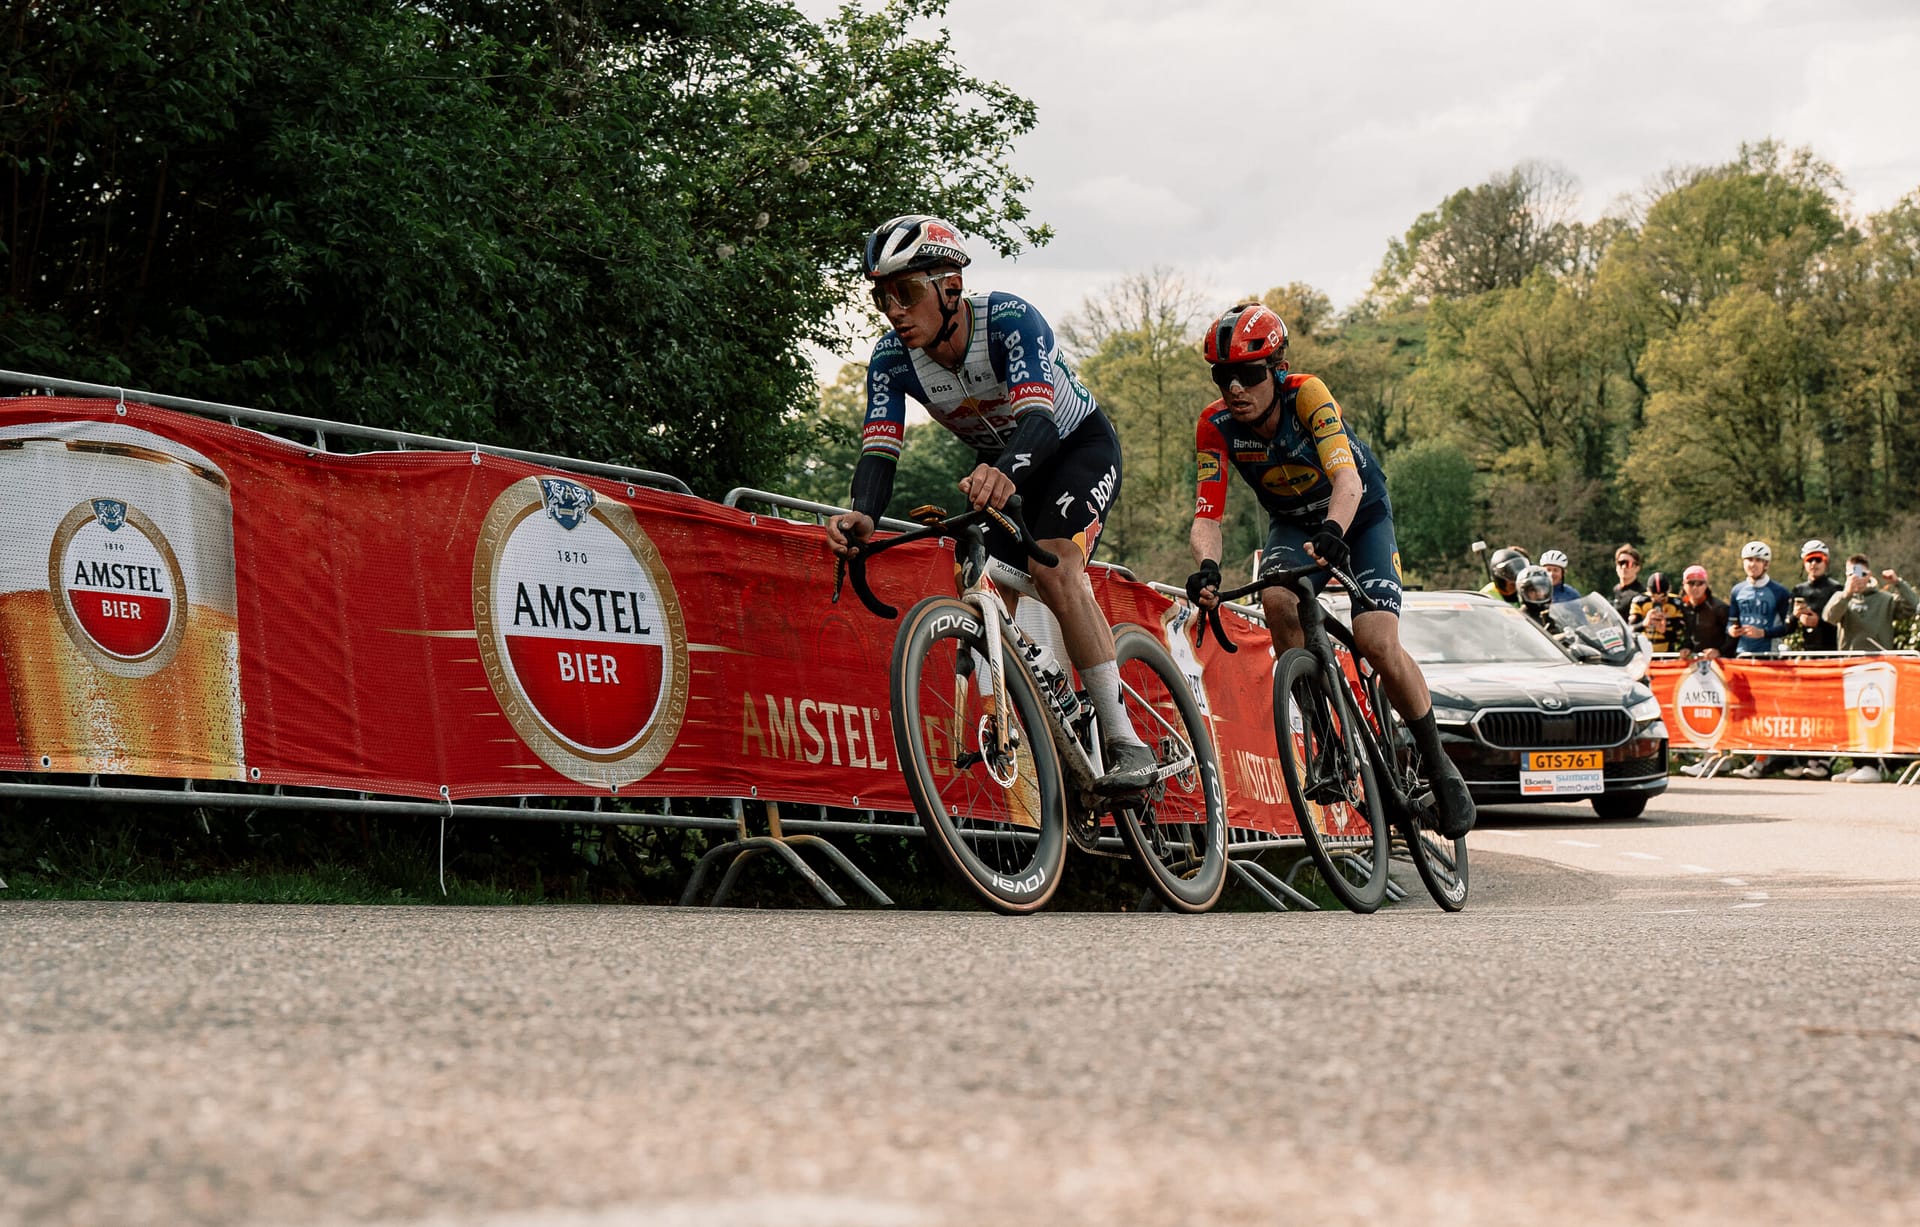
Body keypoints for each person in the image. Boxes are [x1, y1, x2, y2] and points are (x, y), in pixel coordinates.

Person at [826, 215, 1153, 790]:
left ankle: (1125, 738)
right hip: (1006, 465)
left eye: (905, 292)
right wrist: (863, 515)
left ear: (949, 287)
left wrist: (1002, 474)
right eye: (883, 298)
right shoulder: (890, 359)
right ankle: (1045, 708)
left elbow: (1040, 422)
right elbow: (880, 454)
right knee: (975, 580)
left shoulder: (1007, 320)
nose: (894, 311)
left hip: (1071, 446)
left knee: (1053, 566)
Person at [1183, 302, 1476, 839]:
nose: (1235, 389)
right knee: (1276, 600)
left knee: (1376, 642)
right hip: (1293, 525)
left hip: (1358, 517)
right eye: (1223, 378)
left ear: (1274, 371)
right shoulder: (1215, 425)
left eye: (1248, 375)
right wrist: (1206, 566)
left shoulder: (1308, 395)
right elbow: (1208, 515)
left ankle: (1438, 764)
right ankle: (1327, 747)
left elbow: (1347, 481)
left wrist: (1336, 531)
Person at [1822, 555, 1918, 783]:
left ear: (1869, 575)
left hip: (1878, 667)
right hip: (1850, 666)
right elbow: (1829, 617)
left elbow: (1914, 607)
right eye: (1851, 574)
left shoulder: (1884, 599)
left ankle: (1873, 764)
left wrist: (1898, 583)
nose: (1857, 579)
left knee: (1874, 715)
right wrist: (1846, 594)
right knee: (1852, 718)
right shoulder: (1841, 597)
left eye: (1862, 574)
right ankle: (1856, 762)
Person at [1726, 541, 1793, 656]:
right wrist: (1731, 630)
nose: (1753, 564)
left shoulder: (1780, 591)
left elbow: (1788, 628)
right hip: (1742, 654)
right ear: (1743, 563)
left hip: (1770, 654)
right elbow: (1731, 621)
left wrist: (1763, 633)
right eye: (1749, 560)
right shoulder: (1737, 590)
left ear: (1766, 564)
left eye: (1758, 560)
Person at [1791, 540, 1844, 653]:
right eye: (1809, 560)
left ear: (1826, 562)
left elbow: (1844, 623)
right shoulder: (1798, 590)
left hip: (1831, 651)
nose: (1813, 563)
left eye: (1818, 559)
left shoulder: (1836, 589)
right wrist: (1795, 617)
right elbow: (1787, 628)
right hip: (1803, 651)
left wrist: (1818, 622)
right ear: (1804, 563)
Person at [1677, 565, 1732, 661]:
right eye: (1691, 583)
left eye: (1700, 583)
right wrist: (1685, 647)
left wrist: (1720, 651)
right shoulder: (1681, 607)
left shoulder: (1719, 608)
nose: (1695, 587)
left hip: (1719, 663)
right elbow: (1687, 634)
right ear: (1683, 584)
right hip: (1694, 663)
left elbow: (1733, 635)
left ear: (1706, 585)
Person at [1629, 572, 1691, 654]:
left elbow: (1682, 636)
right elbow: (1630, 630)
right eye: (1653, 597)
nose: (1658, 600)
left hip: (1667, 654)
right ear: (1648, 590)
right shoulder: (1639, 601)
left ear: (1669, 589)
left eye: (1663, 598)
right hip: (1642, 654)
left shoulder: (1676, 603)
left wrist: (1664, 630)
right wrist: (1644, 623)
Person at [1611, 544, 1647, 619]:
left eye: (1628, 564)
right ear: (1616, 567)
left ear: (1637, 568)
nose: (1624, 567)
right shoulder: (1616, 589)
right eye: (1621, 563)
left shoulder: (1641, 594)